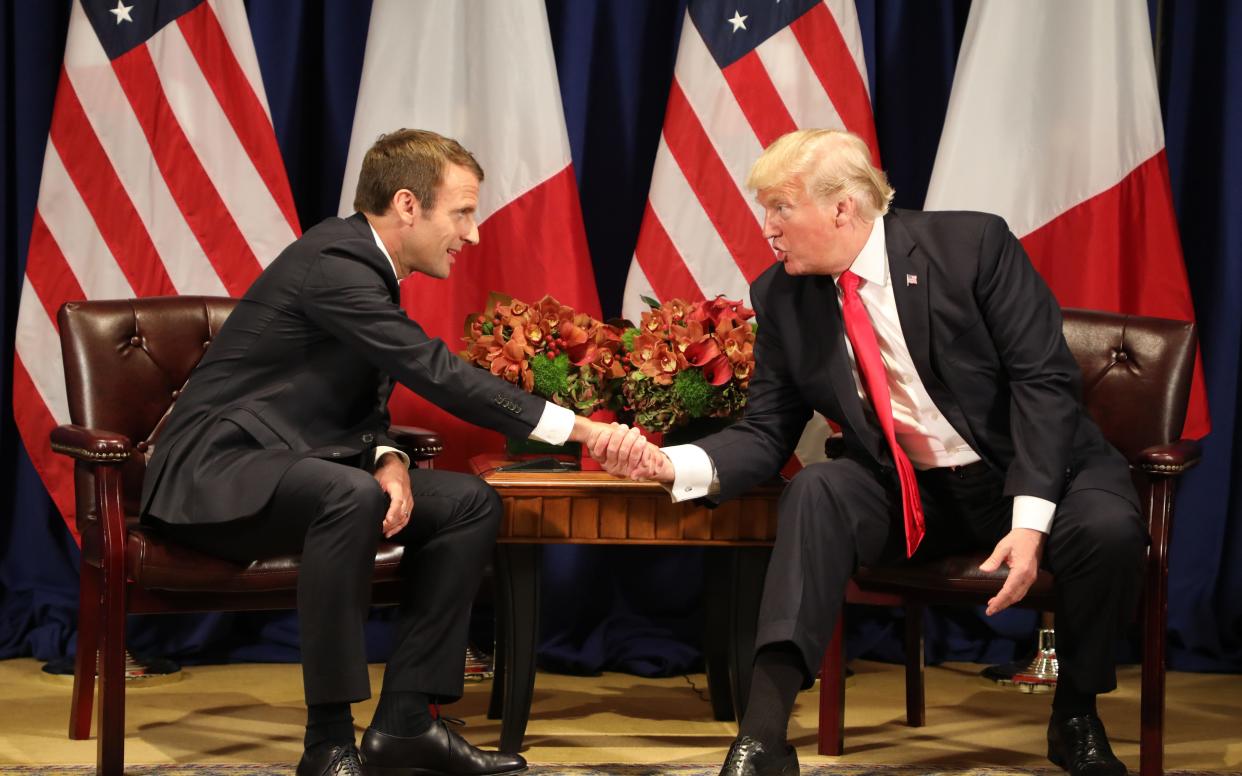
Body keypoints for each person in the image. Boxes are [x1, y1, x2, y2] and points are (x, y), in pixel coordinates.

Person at [594, 129, 1145, 776]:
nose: (767, 227)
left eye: (780, 207)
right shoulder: (782, 295)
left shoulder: (971, 247)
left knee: (1108, 528)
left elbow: (1044, 383)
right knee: (818, 491)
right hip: (911, 494)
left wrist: (1029, 524)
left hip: (1027, 473)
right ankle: (764, 735)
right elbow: (767, 432)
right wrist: (674, 465)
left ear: (841, 208)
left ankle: (1076, 714)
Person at [140, 129, 612, 776]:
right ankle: (329, 743)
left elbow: (363, 398)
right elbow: (432, 370)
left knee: (468, 502)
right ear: (408, 205)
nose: (473, 234)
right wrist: (581, 430)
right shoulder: (334, 265)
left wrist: (389, 454)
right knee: (348, 493)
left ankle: (406, 724)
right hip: (216, 472)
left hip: (298, 467)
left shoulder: (370, 269)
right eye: (463, 212)